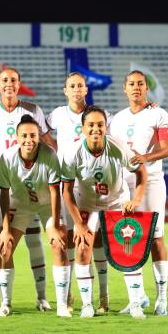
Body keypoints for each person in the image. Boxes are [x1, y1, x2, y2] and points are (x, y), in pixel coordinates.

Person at [0, 67, 56, 312]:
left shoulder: (33, 110)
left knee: (34, 240)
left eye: (13, 80)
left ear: (19, 84)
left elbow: (48, 143)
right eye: (5, 80)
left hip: (30, 186)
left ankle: (41, 297)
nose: (9, 84)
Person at [61, 106, 148, 318]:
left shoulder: (118, 146)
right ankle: (87, 305)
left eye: (100, 125)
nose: (95, 129)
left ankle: (135, 303)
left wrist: (136, 199)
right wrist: (78, 224)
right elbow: (66, 192)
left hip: (116, 203)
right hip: (88, 205)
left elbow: (140, 171)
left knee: (128, 249)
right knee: (82, 247)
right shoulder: (72, 153)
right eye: (91, 125)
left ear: (105, 127)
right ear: (83, 128)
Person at [46, 72, 114, 314]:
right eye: (72, 86)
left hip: (92, 185)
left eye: (80, 86)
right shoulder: (57, 114)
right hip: (67, 183)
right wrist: (55, 148)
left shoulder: (99, 115)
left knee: (96, 240)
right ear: (65, 91)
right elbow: (40, 128)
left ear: (86, 89)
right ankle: (68, 295)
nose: (76, 89)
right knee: (68, 239)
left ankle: (103, 296)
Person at [109, 70, 168, 316]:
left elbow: (167, 149)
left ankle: (162, 298)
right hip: (124, 185)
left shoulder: (158, 114)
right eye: (131, 84)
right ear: (124, 89)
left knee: (156, 238)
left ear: (147, 88)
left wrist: (146, 157)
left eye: (140, 84)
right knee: (128, 238)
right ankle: (138, 298)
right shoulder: (117, 119)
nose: (136, 87)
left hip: (152, 182)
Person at [0, 115, 68, 317]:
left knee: (58, 244)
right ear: (17, 138)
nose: (29, 140)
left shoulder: (49, 154)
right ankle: (6, 304)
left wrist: (55, 225)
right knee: (5, 248)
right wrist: (5, 229)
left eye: (33, 135)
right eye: (24, 136)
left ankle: (61, 305)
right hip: (21, 203)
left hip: (47, 204)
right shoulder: (7, 157)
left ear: (39, 136)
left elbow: (55, 192)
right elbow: (3, 194)